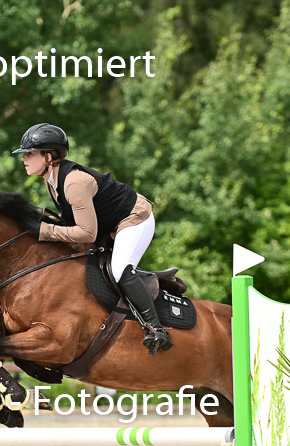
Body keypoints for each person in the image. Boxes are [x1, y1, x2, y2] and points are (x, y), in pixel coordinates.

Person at [13, 123, 172, 354]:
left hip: (135, 218)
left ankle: (156, 328)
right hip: (110, 223)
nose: (23, 158)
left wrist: (45, 231)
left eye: (29, 153)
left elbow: (87, 233)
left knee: (120, 268)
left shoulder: (73, 182)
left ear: (48, 156)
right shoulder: (52, 181)